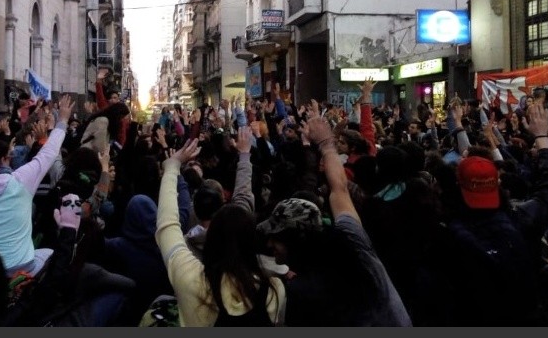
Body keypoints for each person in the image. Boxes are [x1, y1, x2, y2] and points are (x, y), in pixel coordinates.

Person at [257, 89, 411, 326]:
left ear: (296, 240)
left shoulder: (304, 292)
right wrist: (327, 144)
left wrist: (326, 144)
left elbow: (339, 187)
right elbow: (339, 189)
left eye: (277, 238)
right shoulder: (356, 245)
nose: (270, 245)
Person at [156, 139, 286, 326]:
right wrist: (244, 155)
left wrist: (172, 167)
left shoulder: (190, 279)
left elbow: (167, 224)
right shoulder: (274, 290)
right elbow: (243, 194)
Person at [0, 94, 75, 277]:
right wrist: (62, 120)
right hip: (17, 269)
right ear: (3, 159)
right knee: (52, 255)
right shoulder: (20, 182)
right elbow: (49, 152)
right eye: (10, 155)